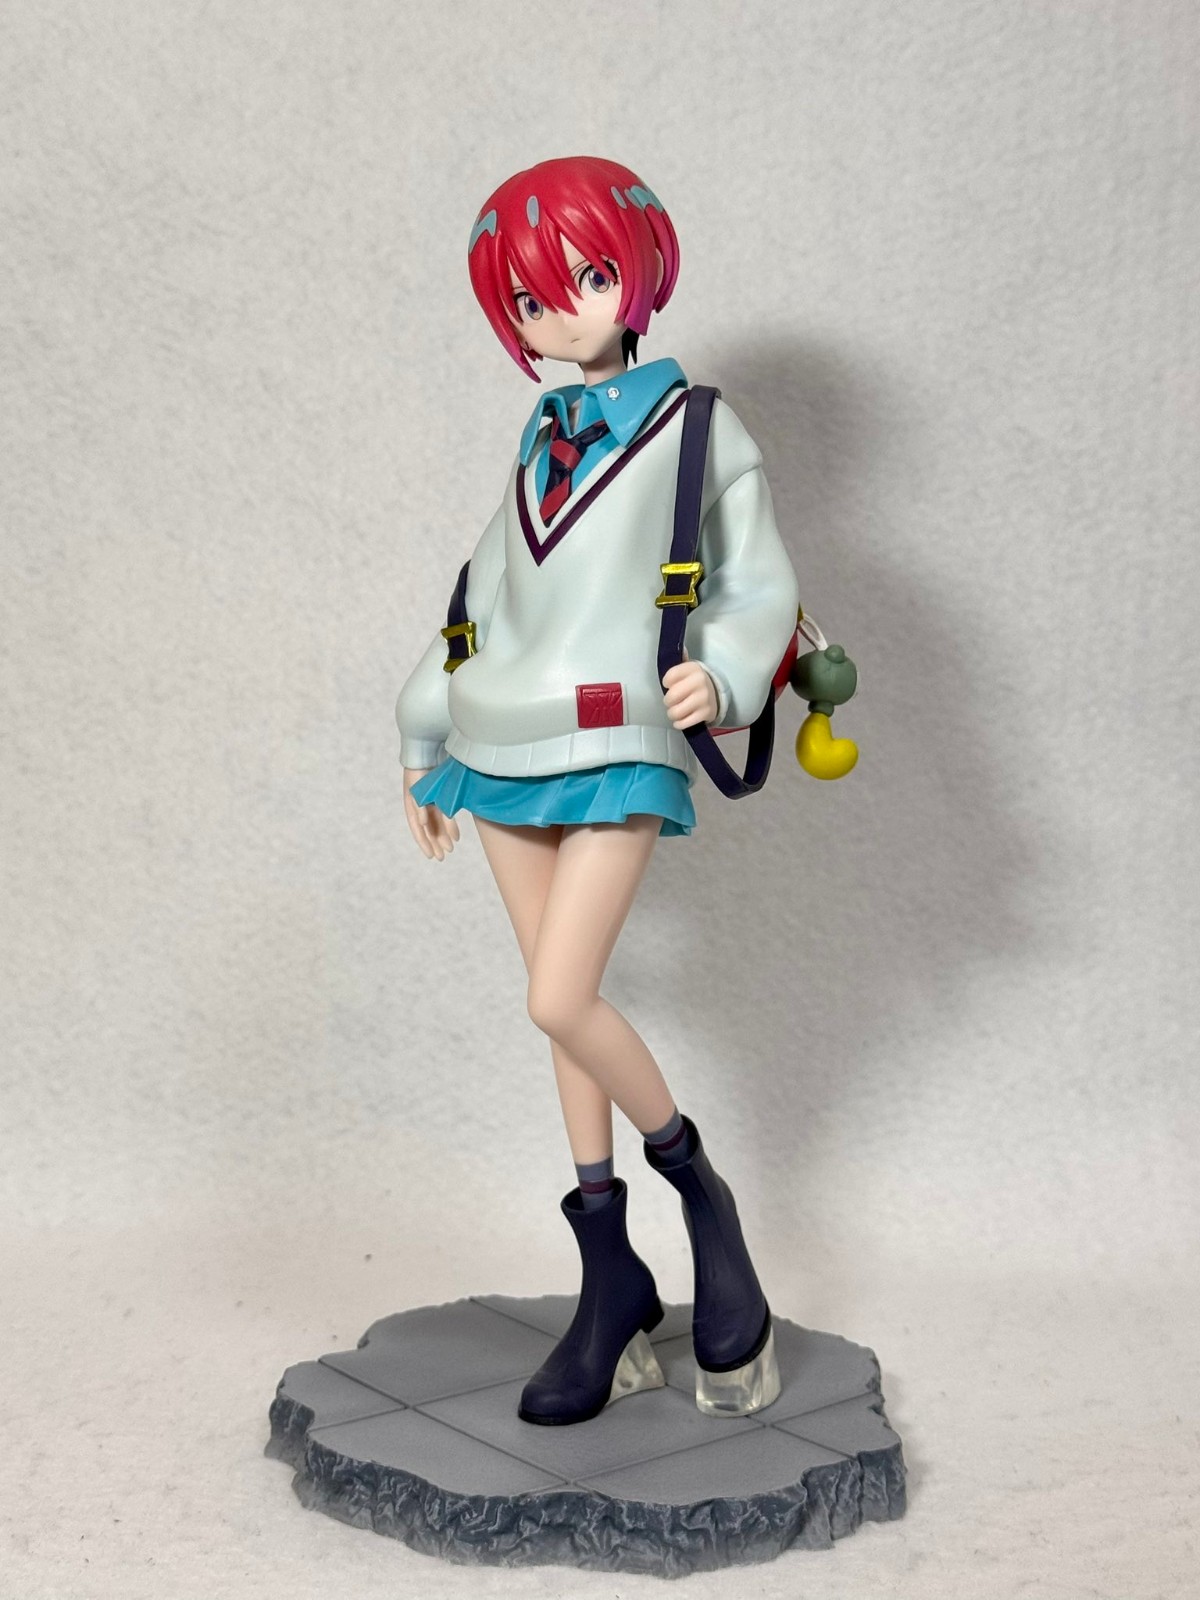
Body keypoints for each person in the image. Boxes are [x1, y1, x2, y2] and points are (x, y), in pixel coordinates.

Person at [395, 155, 800, 1426]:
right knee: (560, 1016)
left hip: (619, 730)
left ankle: (703, 1198)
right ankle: (608, 1275)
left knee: (559, 993)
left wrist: (725, 676)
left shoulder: (700, 430)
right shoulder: (540, 436)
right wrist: (421, 723)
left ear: (636, 272)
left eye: (583, 276)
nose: (560, 310)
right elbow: (483, 594)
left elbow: (759, 583)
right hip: (499, 737)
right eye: (529, 298)